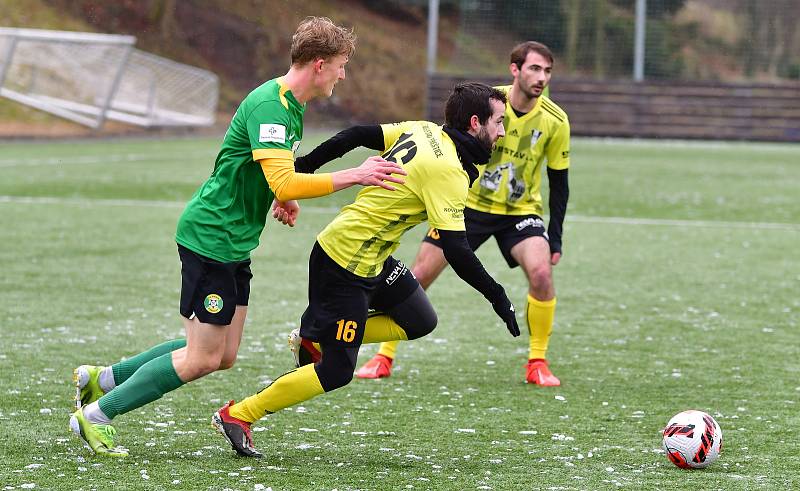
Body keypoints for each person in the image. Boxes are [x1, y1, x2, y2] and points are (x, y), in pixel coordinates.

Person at [68, 16, 407, 457]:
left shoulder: (291, 106)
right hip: (211, 238)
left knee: (222, 354)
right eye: (342, 65)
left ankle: (104, 379)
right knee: (203, 358)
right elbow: (285, 179)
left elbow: (273, 175)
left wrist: (280, 196)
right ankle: (95, 416)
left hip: (232, 241)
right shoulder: (271, 105)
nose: (344, 74)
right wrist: (353, 175)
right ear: (320, 64)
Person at [211, 82, 520, 458]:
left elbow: (357, 134)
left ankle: (319, 335)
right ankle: (239, 414)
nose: (503, 132)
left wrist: (304, 166)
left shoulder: (424, 130)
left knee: (419, 319)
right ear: (475, 123)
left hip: (371, 257)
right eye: (499, 122)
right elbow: (457, 249)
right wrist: (498, 295)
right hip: (344, 263)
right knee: (337, 371)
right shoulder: (449, 171)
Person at [355, 41, 570, 386]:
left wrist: (555, 236)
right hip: (465, 206)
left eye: (547, 71)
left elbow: (559, 183)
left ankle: (538, 362)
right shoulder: (489, 103)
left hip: (519, 212)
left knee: (542, 274)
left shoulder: (556, 121)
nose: (541, 77)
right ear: (515, 70)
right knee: (420, 273)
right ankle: (383, 355)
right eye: (534, 68)